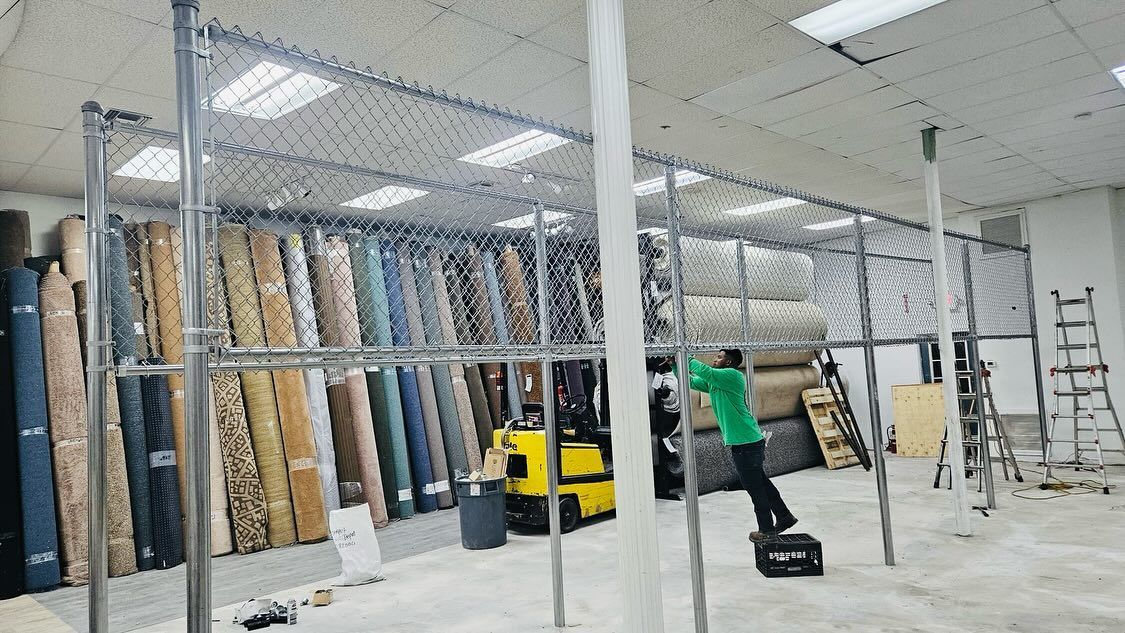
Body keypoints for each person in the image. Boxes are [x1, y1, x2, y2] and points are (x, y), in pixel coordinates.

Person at [675, 349, 797, 542]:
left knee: (755, 488)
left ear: (729, 362)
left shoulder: (732, 376)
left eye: (720, 357)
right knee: (762, 484)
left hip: (747, 443)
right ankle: (784, 517)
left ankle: (766, 530)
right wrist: (674, 366)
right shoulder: (716, 383)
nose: (715, 359)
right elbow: (690, 381)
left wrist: (683, 356)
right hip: (746, 443)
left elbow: (705, 372)